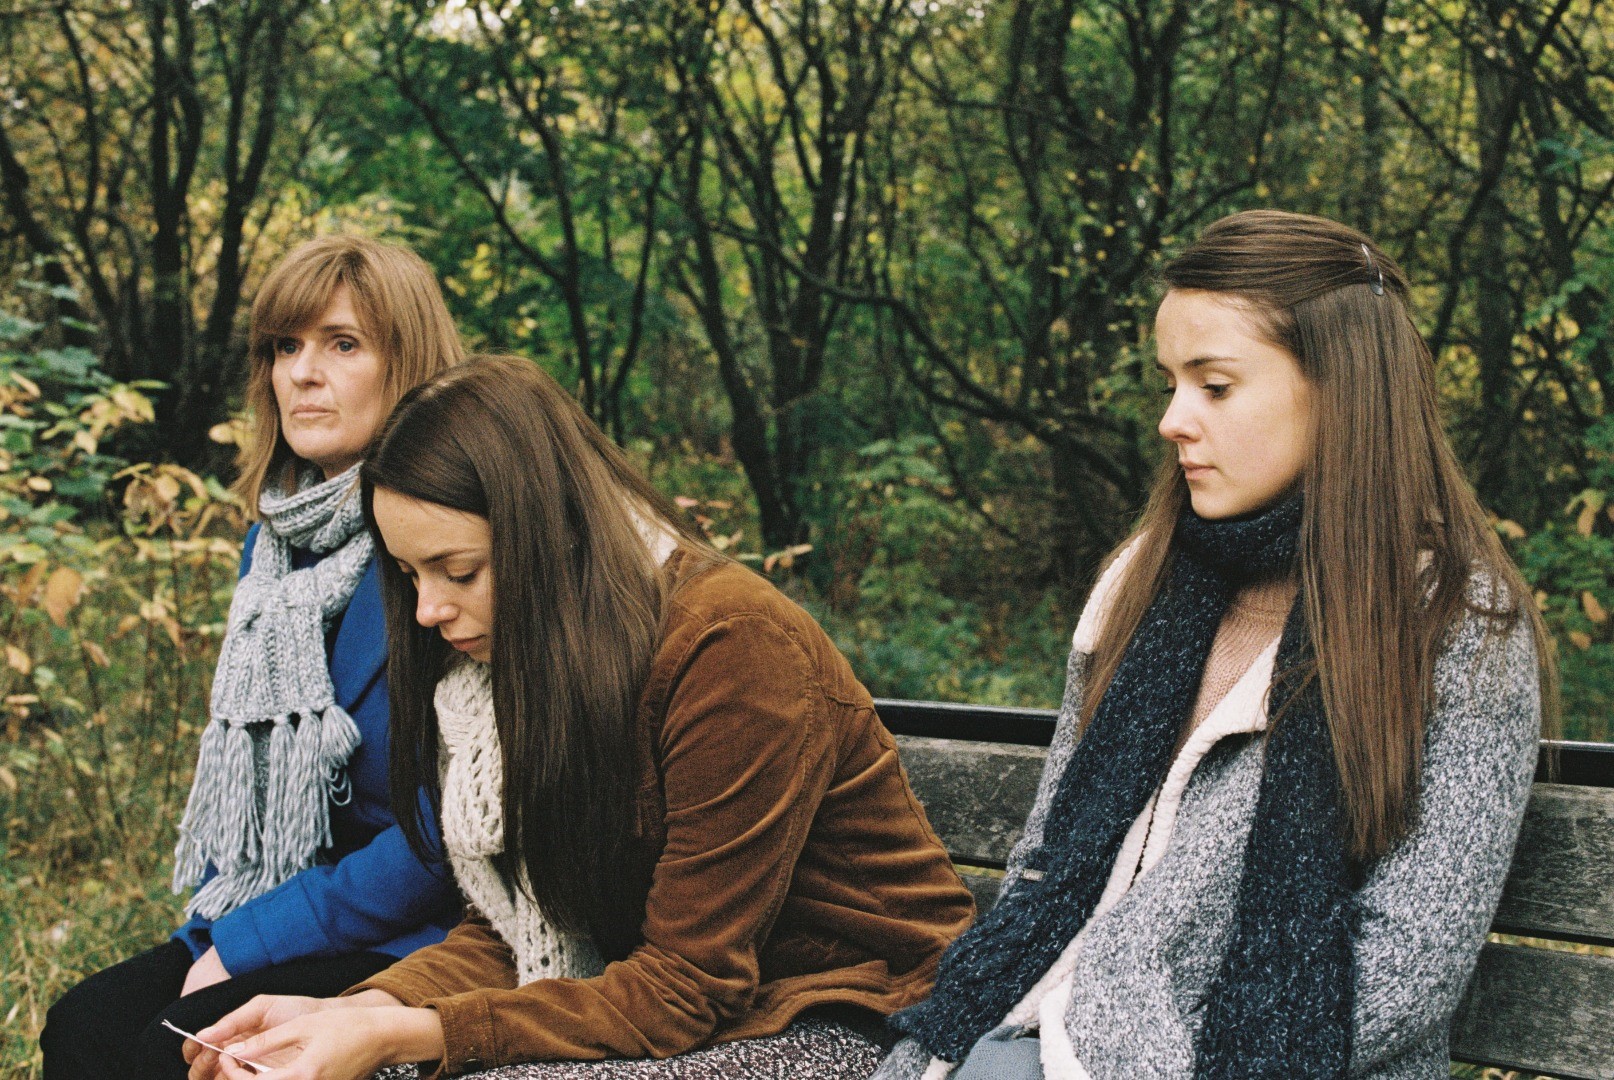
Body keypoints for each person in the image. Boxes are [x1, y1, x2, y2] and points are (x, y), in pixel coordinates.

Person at [872, 210, 1555, 1080]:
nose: (1171, 420)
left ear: (1340, 389)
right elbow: (1046, 859)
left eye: (1215, 386)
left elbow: (1408, 967)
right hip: (1039, 1028)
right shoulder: (1142, 580)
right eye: (1170, 382)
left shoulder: (1450, 620)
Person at [179, 355, 976, 1080]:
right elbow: (506, 930)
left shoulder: (730, 647)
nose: (427, 609)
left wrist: (400, 1035)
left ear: (548, 533)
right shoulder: (514, 666)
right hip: (695, 1006)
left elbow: (685, 989)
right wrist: (359, 1012)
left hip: (857, 1011)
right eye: (409, 573)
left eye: (457, 570)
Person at [42, 235, 469, 1080]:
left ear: (407, 363)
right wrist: (215, 934)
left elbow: (448, 834)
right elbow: (249, 785)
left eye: (342, 344)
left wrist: (247, 945)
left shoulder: (451, 549)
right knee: (81, 1027)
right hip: (286, 903)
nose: (301, 373)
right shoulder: (274, 549)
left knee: (172, 1056)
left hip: (426, 926)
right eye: (285, 346)